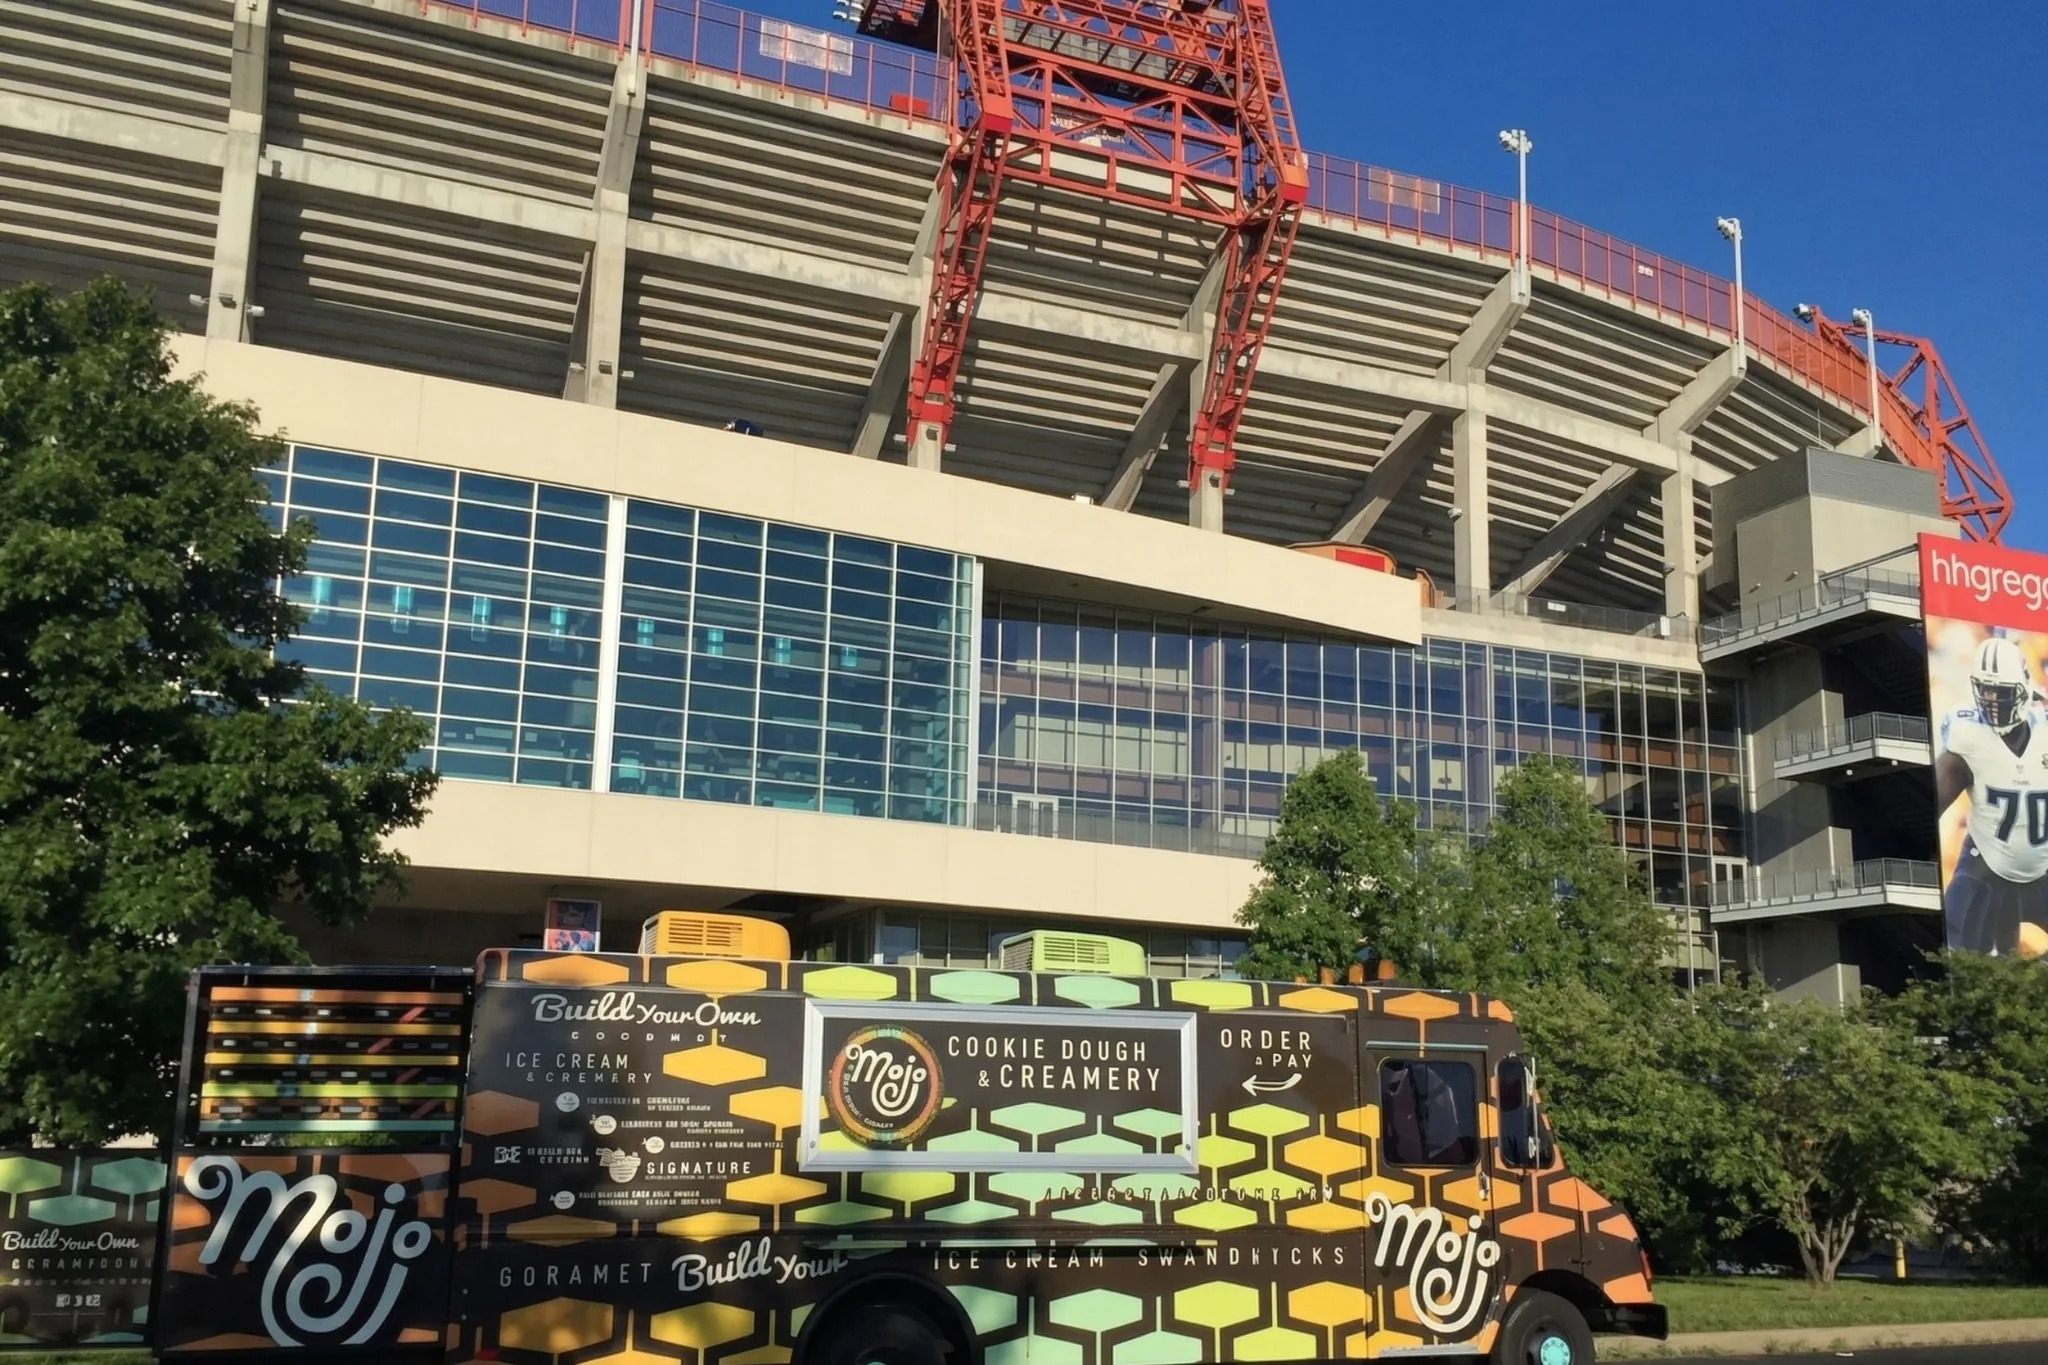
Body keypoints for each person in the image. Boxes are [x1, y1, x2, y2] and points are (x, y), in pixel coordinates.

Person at [1935, 637, 2048, 956]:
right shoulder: (1967, 735)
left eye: (2001, 692)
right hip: (1986, 860)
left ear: (2024, 689)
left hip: (2044, 862)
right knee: (1958, 955)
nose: (1992, 701)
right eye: (1985, 690)